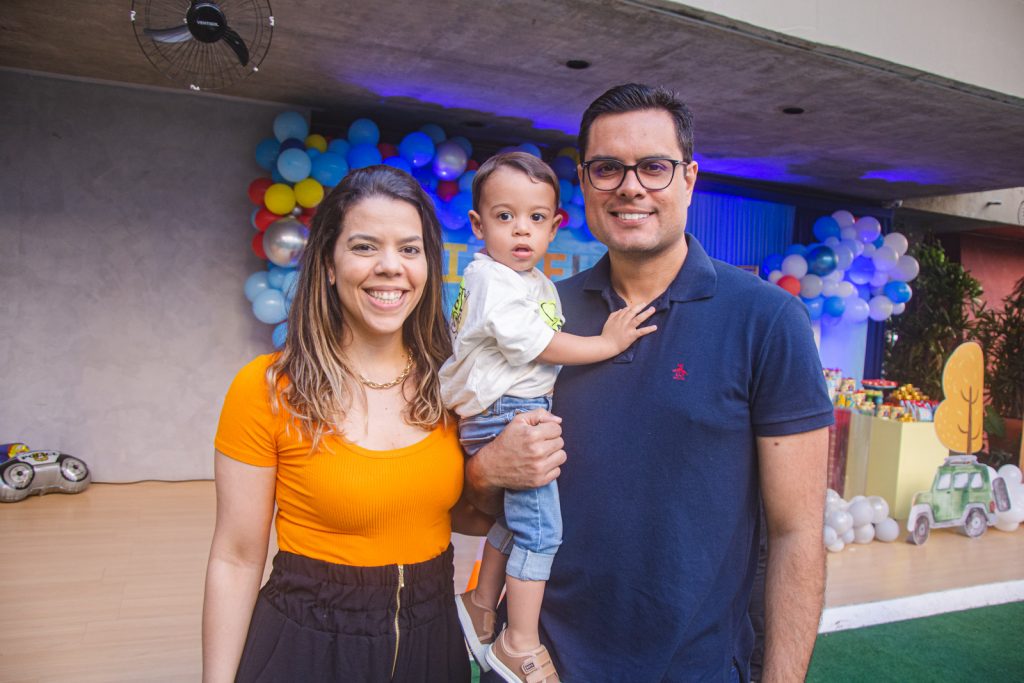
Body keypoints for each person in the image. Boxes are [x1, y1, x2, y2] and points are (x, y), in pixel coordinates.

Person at [467, 83, 834, 682]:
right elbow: (475, 506)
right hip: (542, 666)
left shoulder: (766, 320)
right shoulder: (539, 317)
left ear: (689, 179)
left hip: (696, 668)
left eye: (654, 167)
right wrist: (487, 470)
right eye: (607, 168)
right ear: (584, 183)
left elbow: (798, 533)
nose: (630, 186)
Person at [202, 165, 490, 682]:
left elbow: (467, 516)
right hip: (308, 644)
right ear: (329, 265)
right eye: (364, 247)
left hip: (432, 639)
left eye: (409, 248)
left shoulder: (453, 385)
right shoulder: (268, 387)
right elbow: (236, 557)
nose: (390, 267)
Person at [439, 152, 656, 682]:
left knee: (515, 522)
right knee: (543, 535)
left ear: (555, 226)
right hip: (507, 412)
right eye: (505, 216)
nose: (521, 230)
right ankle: (519, 641)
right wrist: (606, 343)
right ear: (477, 224)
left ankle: (481, 601)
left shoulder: (527, 280)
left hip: (509, 408)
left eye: (536, 218)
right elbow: (540, 343)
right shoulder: (493, 280)